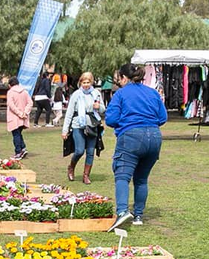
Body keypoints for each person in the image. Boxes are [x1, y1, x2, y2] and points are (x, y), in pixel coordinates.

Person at [104, 63, 167, 230]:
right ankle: (138, 215)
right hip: (154, 137)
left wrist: (125, 122)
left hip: (131, 136)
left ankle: (123, 211)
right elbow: (162, 117)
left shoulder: (121, 94)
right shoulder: (153, 93)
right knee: (141, 179)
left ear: (124, 78)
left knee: (122, 176)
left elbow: (110, 119)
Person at [62, 72, 105, 184]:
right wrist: (65, 130)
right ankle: (71, 167)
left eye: (88, 82)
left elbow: (103, 109)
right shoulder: (76, 94)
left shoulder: (96, 93)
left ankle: (86, 175)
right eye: (84, 82)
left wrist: (98, 107)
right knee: (79, 151)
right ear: (80, 82)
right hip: (78, 125)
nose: (86, 85)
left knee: (90, 151)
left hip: (92, 124)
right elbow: (69, 113)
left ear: (92, 83)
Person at [5, 76, 31, 160]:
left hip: (14, 117)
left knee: (16, 135)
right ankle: (23, 148)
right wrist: (25, 112)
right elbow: (30, 103)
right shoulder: (25, 92)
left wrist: (19, 113)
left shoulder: (10, 92)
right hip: (23, 117)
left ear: (10, 85)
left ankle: (18, 152)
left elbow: (11, 105)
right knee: (18, 134)